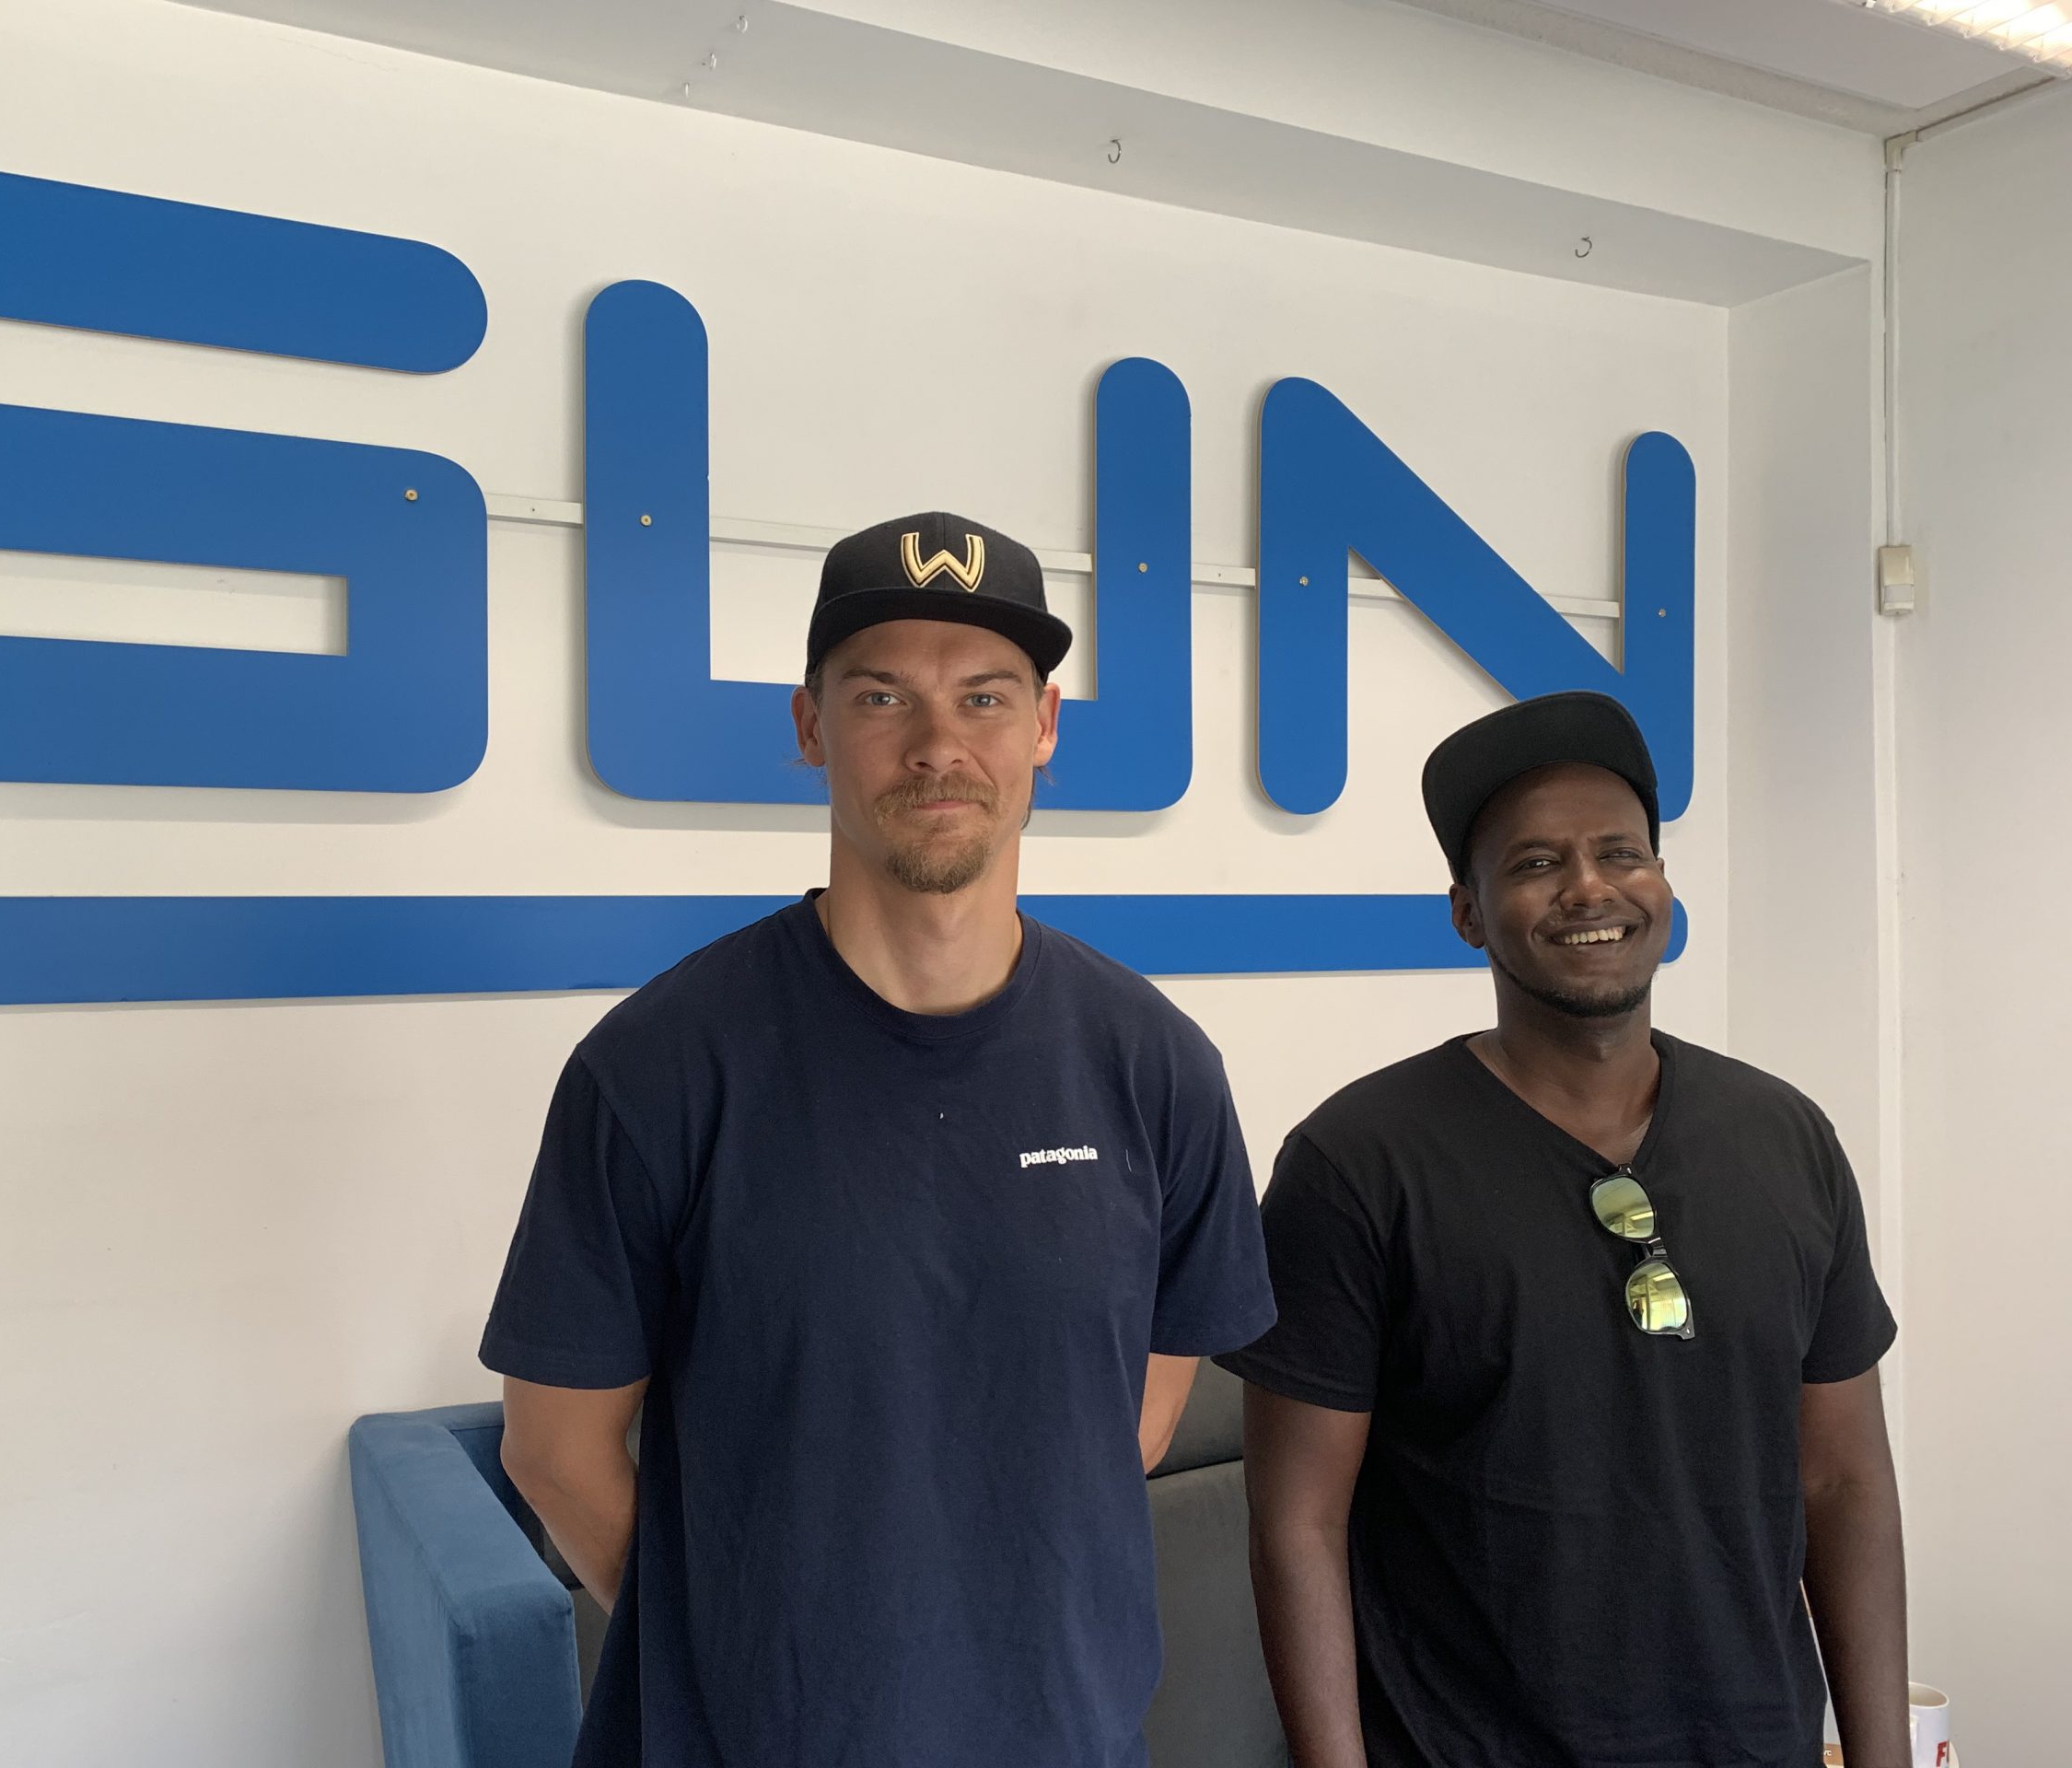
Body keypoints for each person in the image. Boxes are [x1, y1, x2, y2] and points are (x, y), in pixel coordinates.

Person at [480, 511, 1276, 1768]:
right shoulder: (659, 1066)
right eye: (882, 696)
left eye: (984, 698)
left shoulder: (1155, 1065)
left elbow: (1132, 1416)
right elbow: (554, 1451)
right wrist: (738, 1657)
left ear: (1045, 726)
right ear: (810, 726)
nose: (937, 745)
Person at [1221, 691, 1908, 1768]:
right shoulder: (1358, 1163)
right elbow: (1296, 1525)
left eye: (1620, 853)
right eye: (1537, 863)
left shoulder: (1785, 1138)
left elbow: (1843, 1482)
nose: (1589, 887)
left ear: (1662, 884)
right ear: (1468, 912)